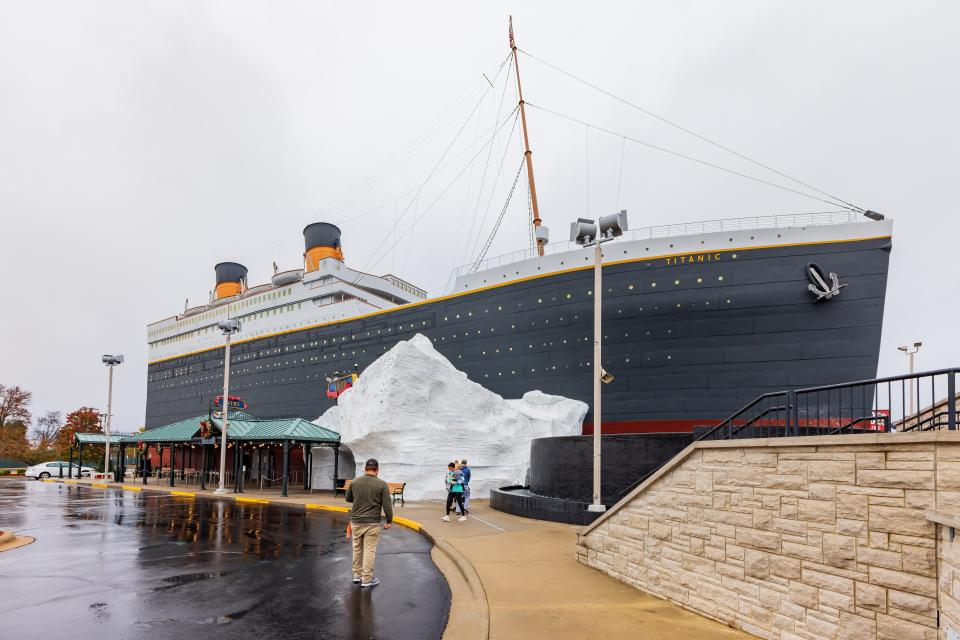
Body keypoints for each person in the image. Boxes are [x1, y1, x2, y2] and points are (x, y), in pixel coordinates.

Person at [344, 458, 393, 588]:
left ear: (365, 469)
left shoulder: (355, 482)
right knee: (369, 551)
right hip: (372, 523)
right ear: (377, 470)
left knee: (357, 548)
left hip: (356, 521)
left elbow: (348, 498)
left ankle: (356, 576)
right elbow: (387, 505)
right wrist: (389, 520)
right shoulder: (382, 484)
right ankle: (366, 579)